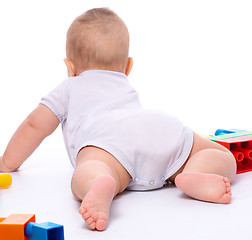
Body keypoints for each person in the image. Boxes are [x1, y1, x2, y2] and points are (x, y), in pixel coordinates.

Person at [0, 7, 236, 231]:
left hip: (109, 144)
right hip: (158, 127)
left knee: (92, 166)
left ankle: (99, 182)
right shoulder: (122, 80)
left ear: (70, 67)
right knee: (223, 155)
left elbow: (34, 125)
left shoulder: (71, 86)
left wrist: (7, 164)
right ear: (128, 66)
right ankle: (197, 172)